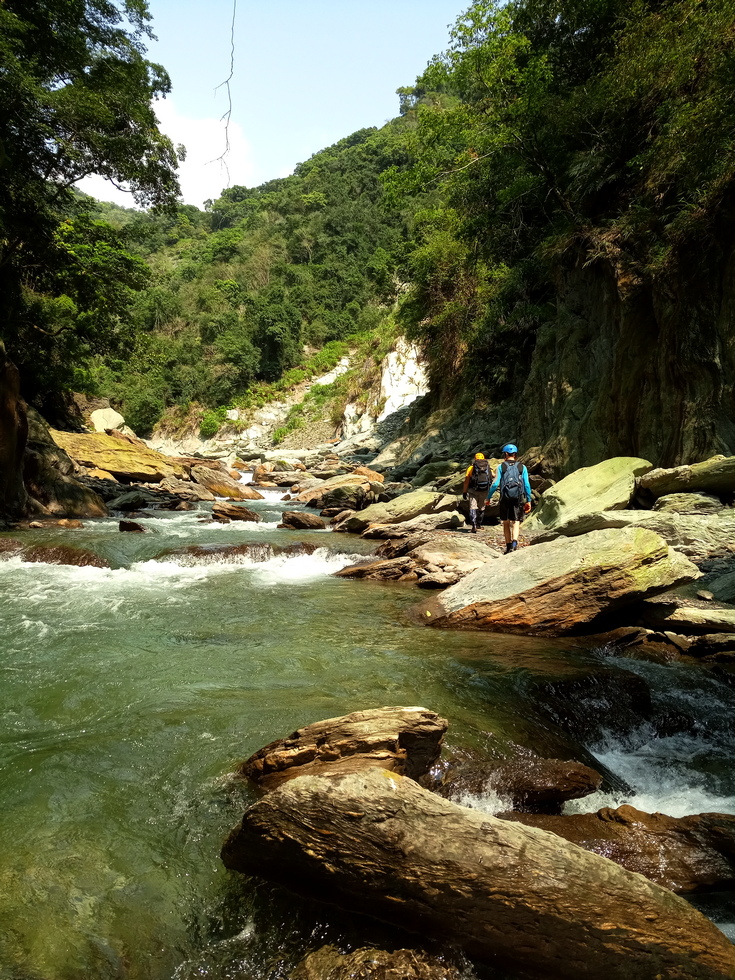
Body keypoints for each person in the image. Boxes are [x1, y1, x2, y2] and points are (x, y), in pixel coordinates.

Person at [486, 444, 532, 553]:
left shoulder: (501, 467)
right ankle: (515, 543)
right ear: (515, 454)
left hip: (505, 497)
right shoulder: (522, 467)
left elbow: (495, 484)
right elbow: (527, 485)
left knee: (506, 522)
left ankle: (508, 546)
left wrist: (488, 497)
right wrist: (529, 500)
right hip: (518, 497)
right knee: (516, 521)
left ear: (506, 454)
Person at [462, 452, 491, 533]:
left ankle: (473, 525)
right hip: (485, 490)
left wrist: (464, 492)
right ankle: (478, 524)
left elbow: (466, 481)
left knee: (473, 507)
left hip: (473, 491)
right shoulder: (487, 467)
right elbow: (493, 476)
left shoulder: (471, 468)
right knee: (482, 507)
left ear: (475, 459)